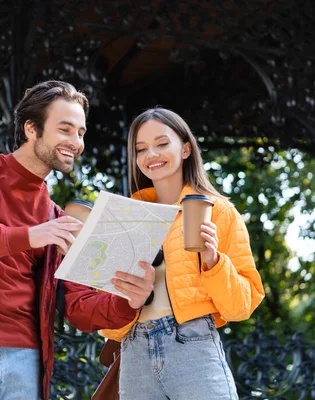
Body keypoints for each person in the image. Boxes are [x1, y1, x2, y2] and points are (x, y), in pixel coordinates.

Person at [0, 80, 155, 400]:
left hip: (23, 366)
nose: (76, 142)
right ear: (31, 129)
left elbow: (78, 305)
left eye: (80, 133)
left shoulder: (56, 220)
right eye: (65, 129)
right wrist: (27, 236)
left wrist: (130, 300)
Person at [99, 108, 265, 400]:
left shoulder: (218, 211)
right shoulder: (126, 217)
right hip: (134, 350)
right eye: (141, 149)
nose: (152, 154)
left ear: (186, 148)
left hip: (193, 344)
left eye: (162, 143)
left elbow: (241, 306)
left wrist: (214, 262)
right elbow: (107, 312)